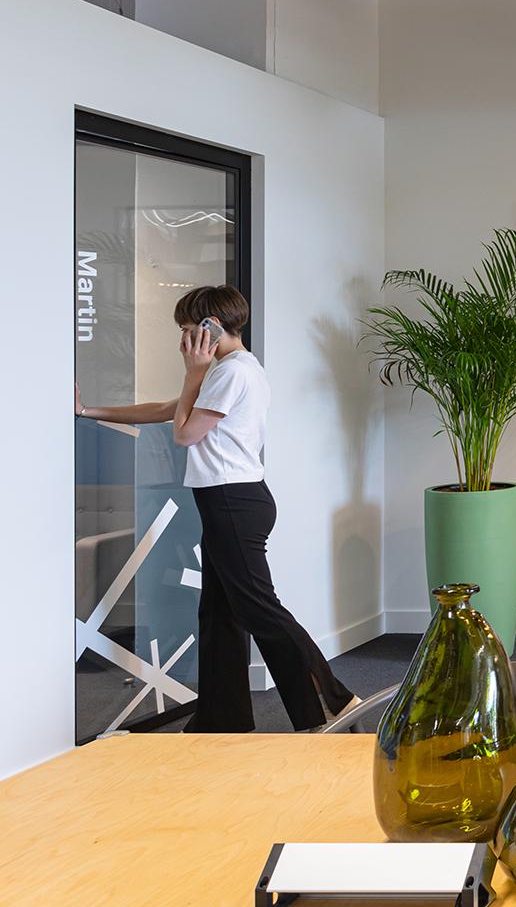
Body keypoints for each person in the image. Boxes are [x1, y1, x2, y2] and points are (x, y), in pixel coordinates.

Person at [76, 285, 357, 732]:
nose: (183, 340)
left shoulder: (231, 373)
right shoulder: (228, 370)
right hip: (228, 501)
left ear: (210, 328)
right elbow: (168, 410)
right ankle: (222, 721)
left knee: (258, 609)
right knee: (219, 614)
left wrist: (193, 373)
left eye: (187, 329)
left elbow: (185, 434)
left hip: (233, 502)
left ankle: (332, 704)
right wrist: (89, 410)